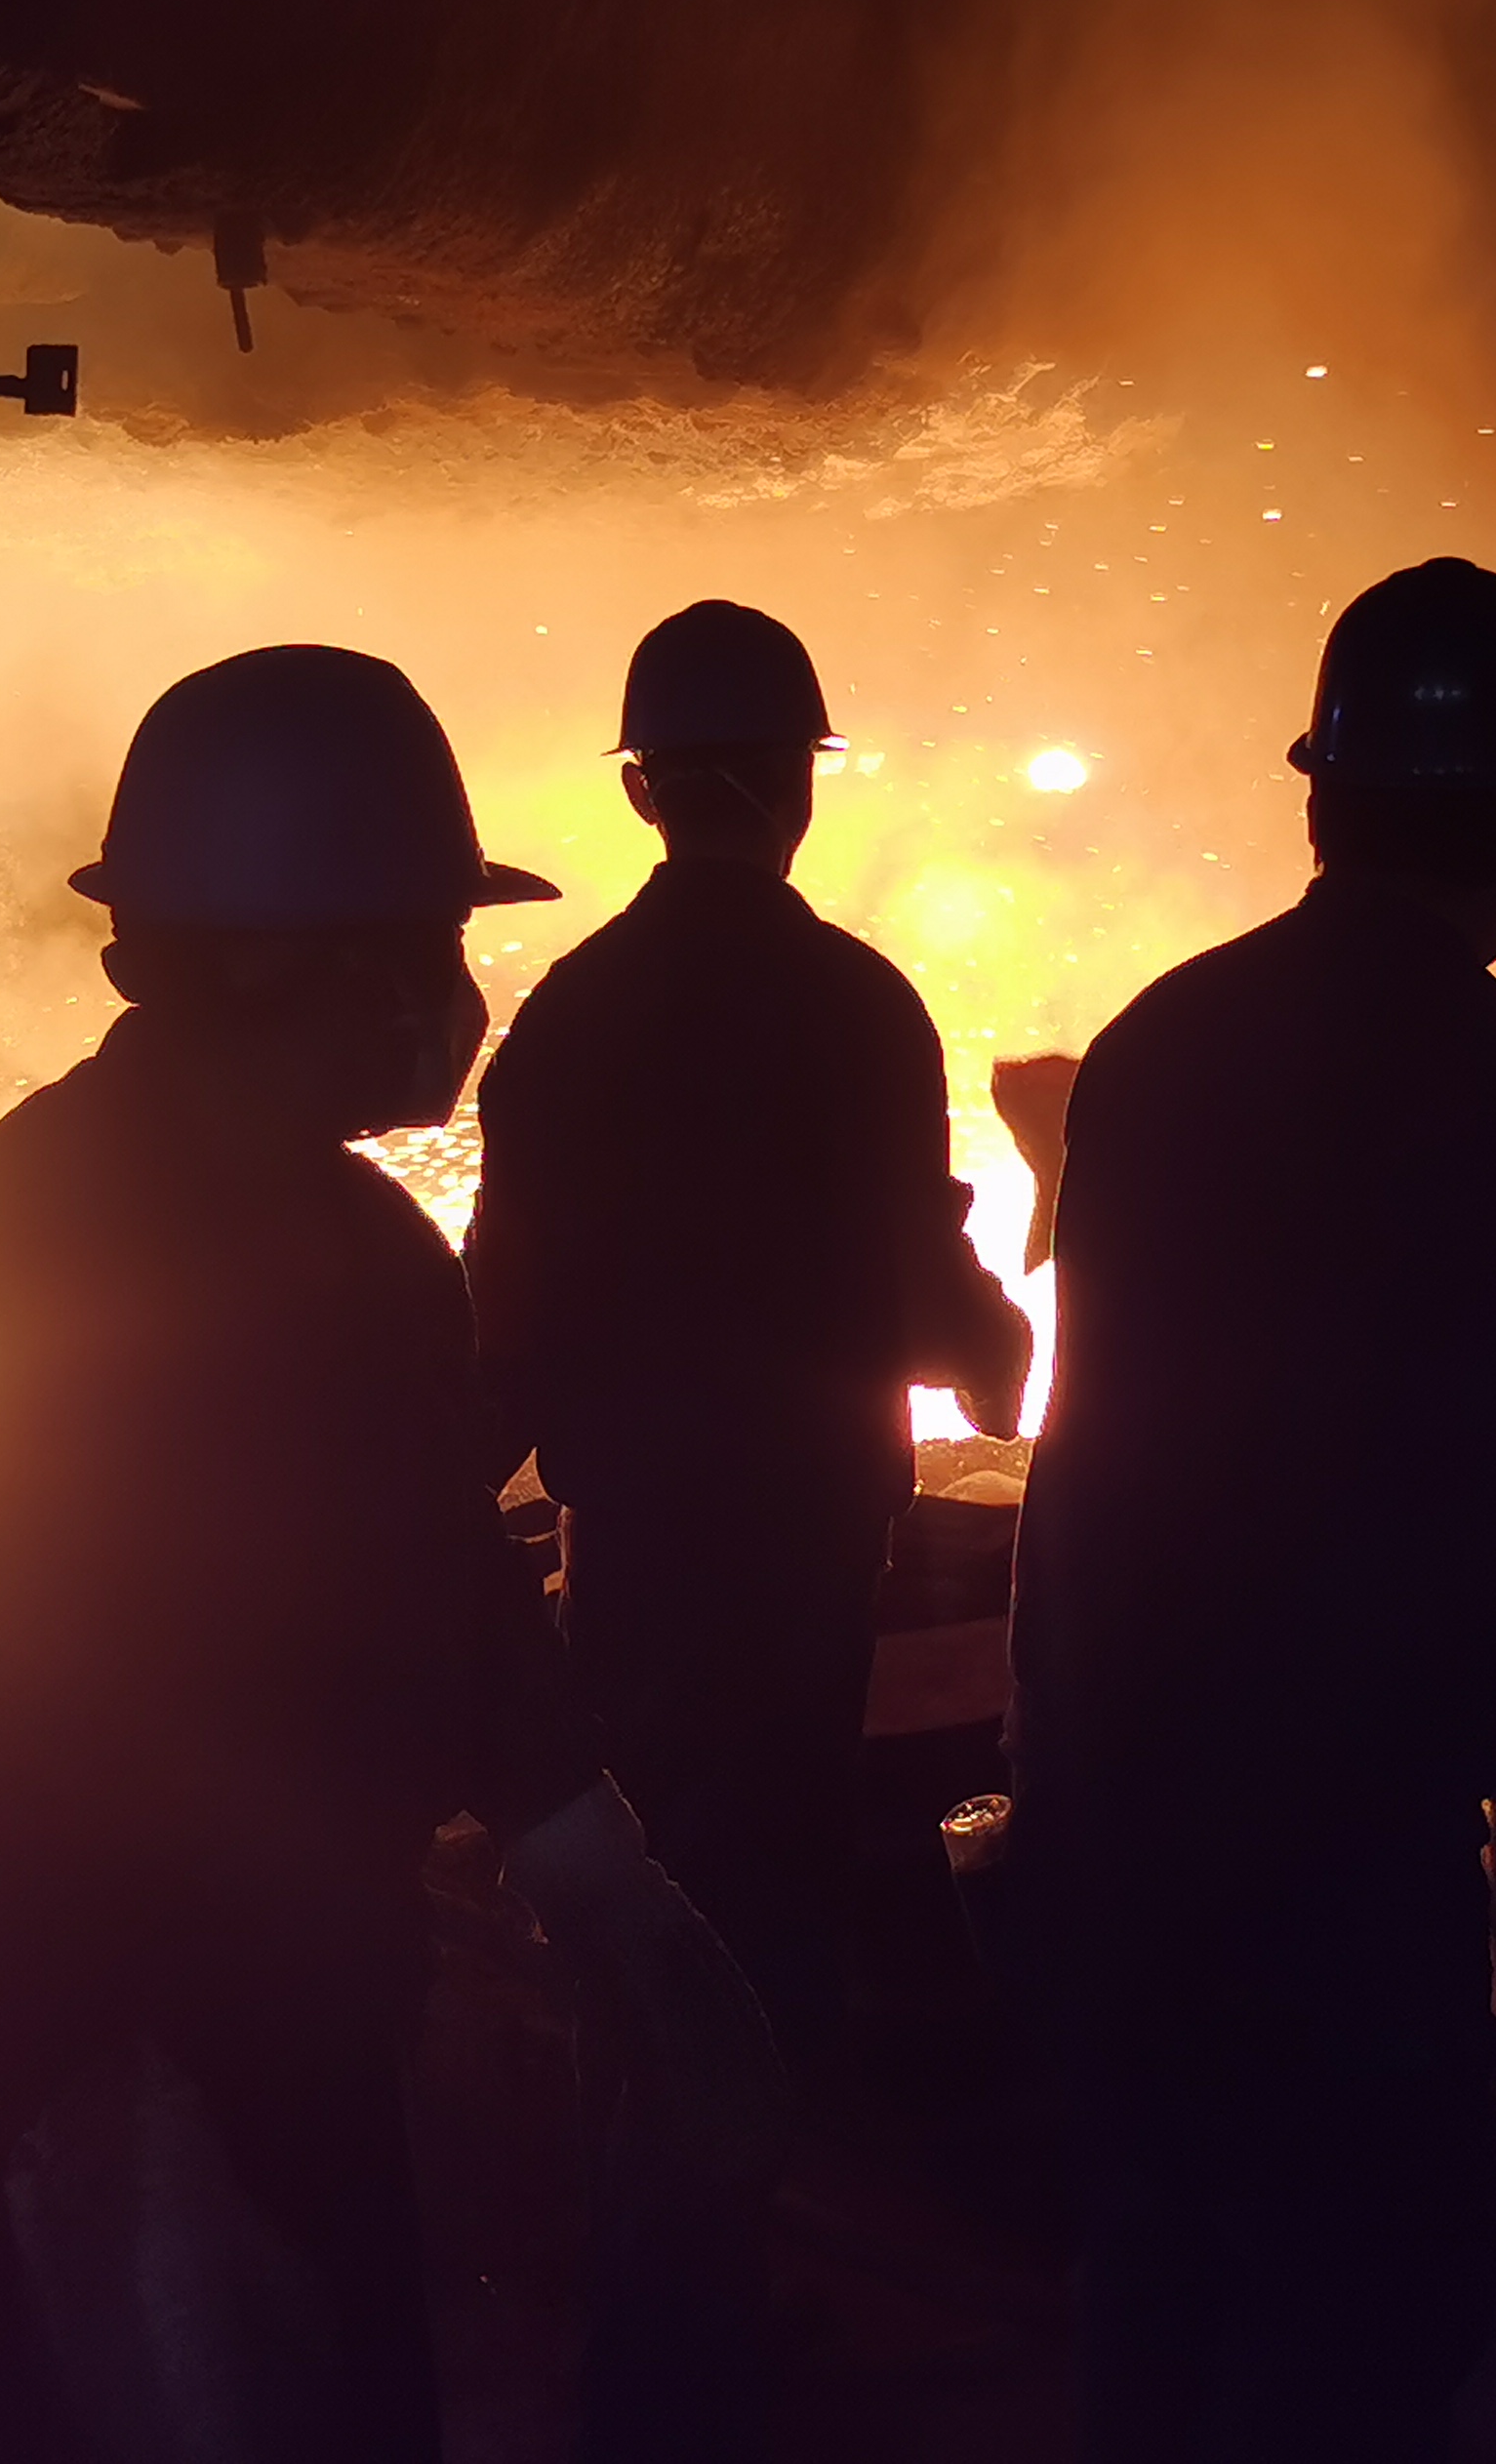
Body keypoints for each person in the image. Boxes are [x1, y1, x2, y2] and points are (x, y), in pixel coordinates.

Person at [0, 645, 775, 2464]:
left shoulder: (339, 1250)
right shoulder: (12, 1288)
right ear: (328, 967)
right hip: (80, 2078)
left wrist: (588, 1866)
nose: (459, 997)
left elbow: (436, 1575)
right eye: (436, 943)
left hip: (254, 2054)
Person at [1009, 558, 1496, 2464]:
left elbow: (1099, 1435)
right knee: (1367, 2318)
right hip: (1344, 1843)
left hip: (1131, 1807)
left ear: (1322, 798)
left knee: (1156, 2306)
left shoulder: (1159, 1042)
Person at [466, 601, 1030, 2065]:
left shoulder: (572, 1017)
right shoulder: (864, 1005)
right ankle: (766, 2161)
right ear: (801, 782)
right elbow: (924, 1275)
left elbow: (506, 1305)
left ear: (640, 789)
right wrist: (993, 1354)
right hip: (814, 1520)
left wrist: (436, 1486)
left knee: (650, 1847)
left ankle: (658, 2172)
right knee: (785, 1842)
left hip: (640, 1524)